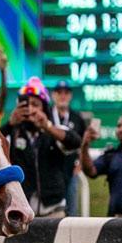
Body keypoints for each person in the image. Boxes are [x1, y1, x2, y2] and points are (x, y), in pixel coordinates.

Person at [1, 77, 81, 243]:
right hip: (19, 213)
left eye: (36, 104)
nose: (31, 110)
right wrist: (9, 124)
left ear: (44, 107)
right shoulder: (12, 133)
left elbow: (73, 142)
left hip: (51, 209)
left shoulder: (53, 130)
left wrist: (46, 126)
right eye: (25, 104)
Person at [79, 112, 122, 217]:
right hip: (115, 219)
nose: (120, 129)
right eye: (118, 126)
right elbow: (90, 171)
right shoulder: (111, 155)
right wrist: (85, 145)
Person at [51, 80, 86, 216]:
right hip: (50, 170)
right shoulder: (46, 114)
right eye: (59, 92)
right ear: (53, 95)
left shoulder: (77, 118)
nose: (62, 96)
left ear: (70, 95)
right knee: (50, 210)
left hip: (70, 168)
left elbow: (83, 144)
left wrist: (80, 163)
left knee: (71, 210)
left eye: (66, 93)